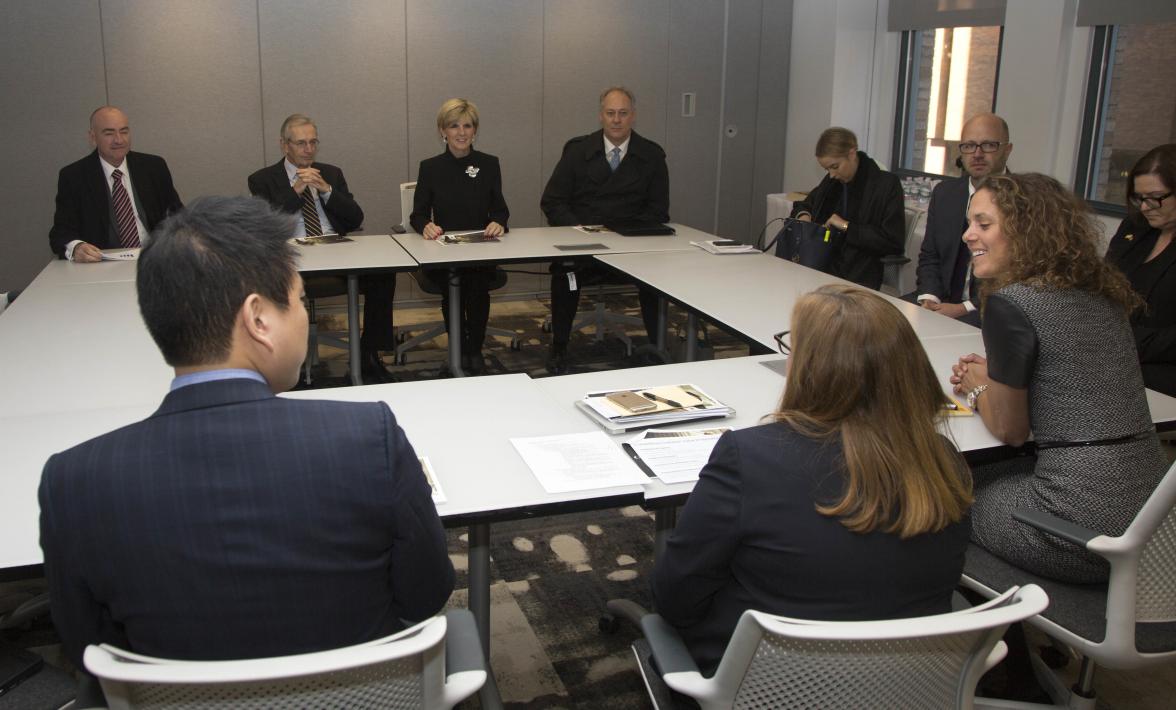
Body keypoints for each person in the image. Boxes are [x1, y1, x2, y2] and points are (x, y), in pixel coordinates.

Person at [39, 195, 454, 672]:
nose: (303, 316)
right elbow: (426, 594)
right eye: (299, 300)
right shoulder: (368, 437)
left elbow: (88, 646)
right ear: (259, 319)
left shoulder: (72, 483)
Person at [655, 284, 972, 676]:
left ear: (811, 366)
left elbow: (675, 599)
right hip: (911, 681)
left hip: (768, 683)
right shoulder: (943, 461)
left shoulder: (748, 457)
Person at [951, 173, 1166, 583]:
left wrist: (976, 386)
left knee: (939, 489)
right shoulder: (1102, 294)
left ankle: (994, 626)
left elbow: (1012, 430)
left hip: (1079, 526)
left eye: (983, 223)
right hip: (1151, 519)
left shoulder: (1011, 304)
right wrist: (993, 375)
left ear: (1025, 228)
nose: (967, 235)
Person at [248, 113, 397, 383]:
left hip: (334, 248)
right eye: (301, 143)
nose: (309, 149)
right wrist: (296, 190)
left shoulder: (331, 173)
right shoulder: (262, 180)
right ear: (284, 145)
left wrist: (327, 190)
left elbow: (355, 218)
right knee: (269, 283)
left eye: (313, 142)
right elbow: (265, 226)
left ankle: (368, 352)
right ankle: (283, 360)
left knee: (382, 274)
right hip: (291, 256)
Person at [540, 86, 668, 374]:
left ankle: (657, 348)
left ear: (633, 116)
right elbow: (552, 201)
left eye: (623, 113)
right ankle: (559, 345)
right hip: (585, 249)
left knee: (659, 276)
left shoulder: (651, 155)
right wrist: (579, 229)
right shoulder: (578, 152)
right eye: (610, 113)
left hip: (632, 248)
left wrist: (625, 232)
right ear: (601, 116)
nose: (616, 120)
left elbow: (659, 210)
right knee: (564, 274)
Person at [410, 98, 509, 375]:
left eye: (467, 126)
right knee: (454, 283)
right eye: (454, 126)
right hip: (444, 253)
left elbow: (501, 211)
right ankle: (459, 347)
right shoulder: (430, 167)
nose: (461, 132)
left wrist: (498, 223)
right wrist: (425, 226)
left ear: (475, 131)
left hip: (479, 251)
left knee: (477, 284)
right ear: (443, 130)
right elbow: (417, 215)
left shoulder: (489, 164)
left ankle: (473, 349)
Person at [914, 113, 1014, 324]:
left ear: (1007, 150)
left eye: (988, 145)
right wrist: (929, 297)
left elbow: (1018, 274)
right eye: (969, 146)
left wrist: (964, 307)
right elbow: (930, 255)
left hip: (991, 309)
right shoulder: (945, 194)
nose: (977, 154)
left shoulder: (1021, 199)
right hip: (941, 301)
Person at [49, 106, 182, 262]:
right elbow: (61, 232)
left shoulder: (153, 167)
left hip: (153, 259)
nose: (119, 140)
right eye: (109, 133)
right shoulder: (74, 176)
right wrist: (77, 247)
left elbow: (177, 215)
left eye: (124, 131)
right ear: (93, 137)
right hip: (100, 263)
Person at [789, 127, 905, 289]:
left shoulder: (885, 185)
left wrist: (846, 226)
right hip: (822, 267)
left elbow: (893, 241)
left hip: (859, 275)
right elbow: (805, 205)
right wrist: (804, 216)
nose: (831, 174)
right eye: (827, 169)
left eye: (835, 166)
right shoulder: (832, 182)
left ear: (852, 153)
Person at [1106, 144, 1176, 397]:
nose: (1145, 207)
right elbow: (1102, 284)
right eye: (1139, 198)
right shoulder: (1135, 228)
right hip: (1115, 355)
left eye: (1155, 197)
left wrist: (1121, 338)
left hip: (1161, 372)